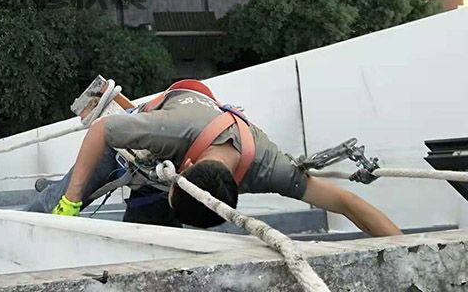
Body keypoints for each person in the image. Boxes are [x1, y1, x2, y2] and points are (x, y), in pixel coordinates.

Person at [26, 79, 402, 236]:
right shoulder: (171, 130)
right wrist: (72, 199)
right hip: (140, 151)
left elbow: (347, 202)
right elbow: (101, 132)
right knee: (57, 199)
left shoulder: (270, 168)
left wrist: (406, 251)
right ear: (184, 169)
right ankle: (46, 199)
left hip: (170, 169)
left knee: (156, 240)